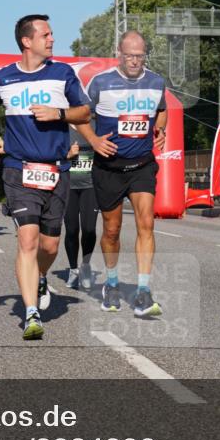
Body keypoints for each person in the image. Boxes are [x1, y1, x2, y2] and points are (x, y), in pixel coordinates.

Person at [0, 14, 91, 340]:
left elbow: (85, 112)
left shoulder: (62, 74)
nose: (52, 39)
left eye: (52, 33)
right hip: (18, 169)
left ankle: (41, 274)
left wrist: (59, 113)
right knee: (27, 240)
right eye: (46, 34)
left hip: (56, 169)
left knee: (50, 244)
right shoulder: (4, 77)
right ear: (27, 41)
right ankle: (31, 313)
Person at [79, 30, 168, 317]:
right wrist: (93, 140)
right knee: (112, 230)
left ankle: (143, 290)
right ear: (119, 52)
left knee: (146, 224)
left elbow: (162, 110)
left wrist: (160, 128)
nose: (134, 61)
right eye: (129, 55)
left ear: (145, 55)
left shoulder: (155, 82)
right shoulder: (101, 82)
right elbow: (79, 115)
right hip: (109, 167)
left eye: (139, 55)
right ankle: (112, 284)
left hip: (141, 165)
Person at [63, 124, 98, 289]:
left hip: (90, 186)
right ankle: (73, 269)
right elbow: (51, 152)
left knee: (89, 229)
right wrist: (68, 154)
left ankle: (85, 265)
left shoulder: (95, 125)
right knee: (71, 230)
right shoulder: (62, 127)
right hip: (68, 186)